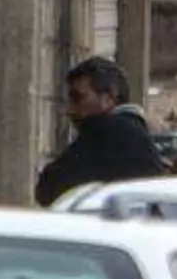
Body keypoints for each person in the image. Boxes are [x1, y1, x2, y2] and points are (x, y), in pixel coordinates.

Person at [34, 55, 168, 206]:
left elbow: (49, 188)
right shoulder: (133, 130)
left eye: (78, 98)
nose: (70, 110)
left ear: (108, 98)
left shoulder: (106, 131)